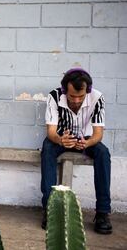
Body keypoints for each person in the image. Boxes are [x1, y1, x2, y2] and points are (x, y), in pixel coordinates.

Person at [40, 68, 112, 234]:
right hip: (61, 138)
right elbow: (51, 132)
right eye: (72, 96)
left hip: (86, 139)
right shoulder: (55, 96)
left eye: (81, 96)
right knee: (47, 149)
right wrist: (60, 139)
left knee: (103, 153)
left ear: (87, 90)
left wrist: (87, 143)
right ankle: (50, 209)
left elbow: (98, 134)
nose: (77, 100)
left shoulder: (97, 98)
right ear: (65, 90)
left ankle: (102, 213)